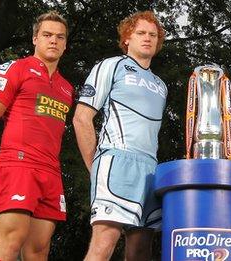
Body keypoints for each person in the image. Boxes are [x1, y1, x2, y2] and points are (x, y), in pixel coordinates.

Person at [0, 11, 73, 261]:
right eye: (47, 35)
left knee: (39, 251)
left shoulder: (67, 87)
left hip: (50, 170)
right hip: (17, 163)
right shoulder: (16, 68)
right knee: (10, 243)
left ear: (65, 43)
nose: (54, 41)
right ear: (34, 39)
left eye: (60, 37)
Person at [73, 10, 167, 260]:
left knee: (140, 250)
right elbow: (81, 118)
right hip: (116, 160)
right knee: (104, 242)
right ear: (127, 38)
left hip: (150, 169)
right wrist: (95, 169)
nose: (147, 38)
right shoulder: (111, 65)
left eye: (153, 34)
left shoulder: (161, 85)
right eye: (140, 33)